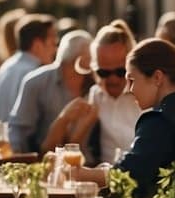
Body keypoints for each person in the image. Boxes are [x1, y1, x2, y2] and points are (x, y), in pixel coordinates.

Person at [71, 38, 175, 198]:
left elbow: (128, 175)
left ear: (157, 77)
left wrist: (79, 174)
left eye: (132, 80)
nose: (129, 89)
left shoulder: (157, 121)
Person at [43, 21, 139, 163]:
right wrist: (64, 119)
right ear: (94, 69)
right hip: (108, 178)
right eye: (103, 72)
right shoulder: (95, 96)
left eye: (120, 72)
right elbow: (69, 149)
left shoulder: (142, 93)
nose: (113, 79)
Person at [10, 30, 93, 154]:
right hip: (45, 159)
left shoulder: (96, 84)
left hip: (91, 164)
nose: (94, 64)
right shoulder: (36, 82)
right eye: (90, 59)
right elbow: (19, 132)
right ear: (76, 60)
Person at [0, 14, 57, 124]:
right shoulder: (34, 73)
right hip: (15, 140)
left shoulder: (8, 64)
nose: (55, 50)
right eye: (53, 43)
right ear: (37, 45)